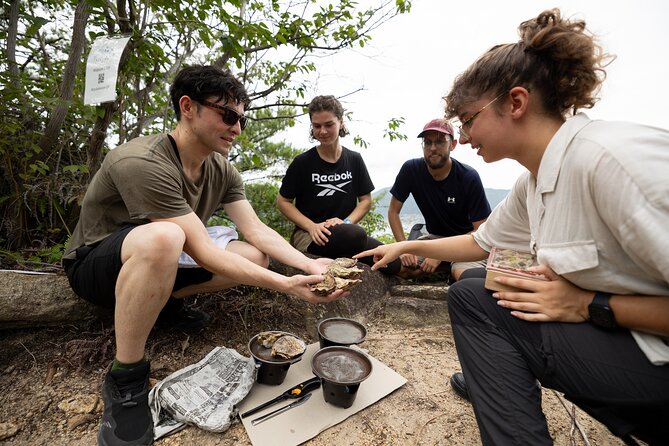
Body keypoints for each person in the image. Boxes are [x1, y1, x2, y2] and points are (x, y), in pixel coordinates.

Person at [355, 9, 669, 445]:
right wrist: (405, 248)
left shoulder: (612, 161)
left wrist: (590, 304)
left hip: (655, 363)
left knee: (473, 299)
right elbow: (479, 242)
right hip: (631, 351)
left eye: (468, 120)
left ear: (516, 103)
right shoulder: (534, 181)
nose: (462, 137)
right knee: (480, 286)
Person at [62, 66, 345, 446]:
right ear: (187, 107)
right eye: (227, 115)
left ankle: (163, 304)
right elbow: (199, 249)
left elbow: (256, 229)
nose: (237, 128)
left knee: (254, 255)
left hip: (159, 256)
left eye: (241, 119)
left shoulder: (221, 168)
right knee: (166, 236)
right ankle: (125, 376)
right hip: (96, 263)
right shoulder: (143, 160)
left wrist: (309, 264)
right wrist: (287, 286)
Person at [277, 95, 403, 276]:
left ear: (341, 122)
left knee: (392, 262)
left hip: (346, 232)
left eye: (329, 125)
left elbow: (366, 200)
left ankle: (344, 257)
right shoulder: (303, 163)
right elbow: (283, 201)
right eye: (316, 126)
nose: (322, 131)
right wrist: (312, 226)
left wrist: (345, 223)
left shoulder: (354, 159)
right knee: (356, 236)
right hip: (311, 235)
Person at [388, 118, 491, 281]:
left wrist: (441, 254)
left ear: (453, 144)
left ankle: (450, 266)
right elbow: (393, 211)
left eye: (440, 142)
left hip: (467, 240)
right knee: (401, 268)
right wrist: (403, 248)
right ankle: (443, 267)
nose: (433, 148)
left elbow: (481, 229)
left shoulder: (468, 177)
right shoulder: (411, 170)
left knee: (461, 275)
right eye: (427, 142)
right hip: (436, 238)